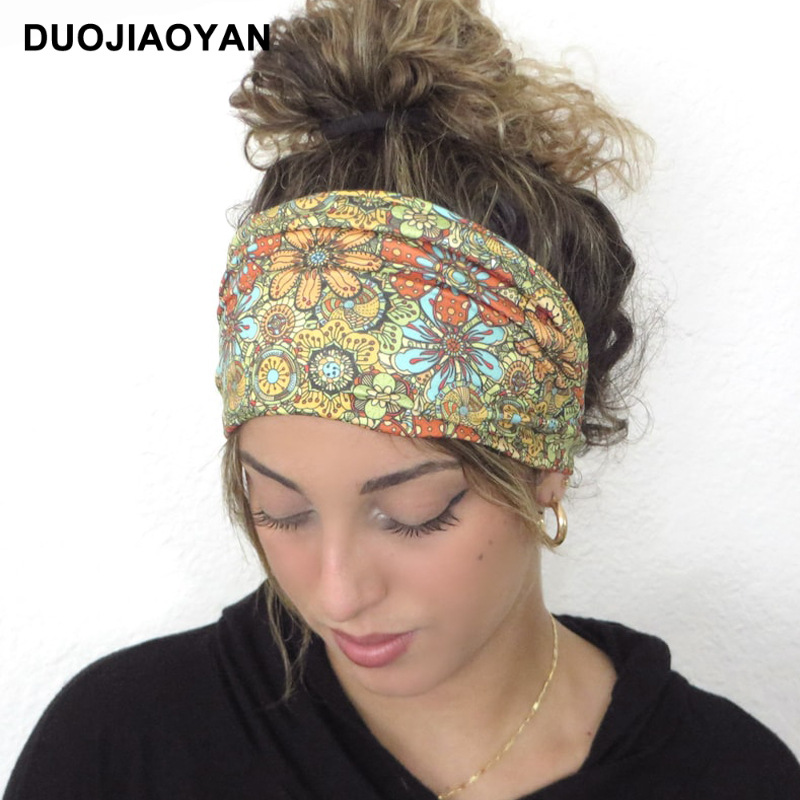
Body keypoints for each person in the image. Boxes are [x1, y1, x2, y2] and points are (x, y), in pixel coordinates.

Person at [4, 1, 799, 798]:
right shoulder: (120, 746)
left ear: (547, 463)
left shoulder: (729, 778)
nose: (338, 594)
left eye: (415, 513)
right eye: (280, 509)